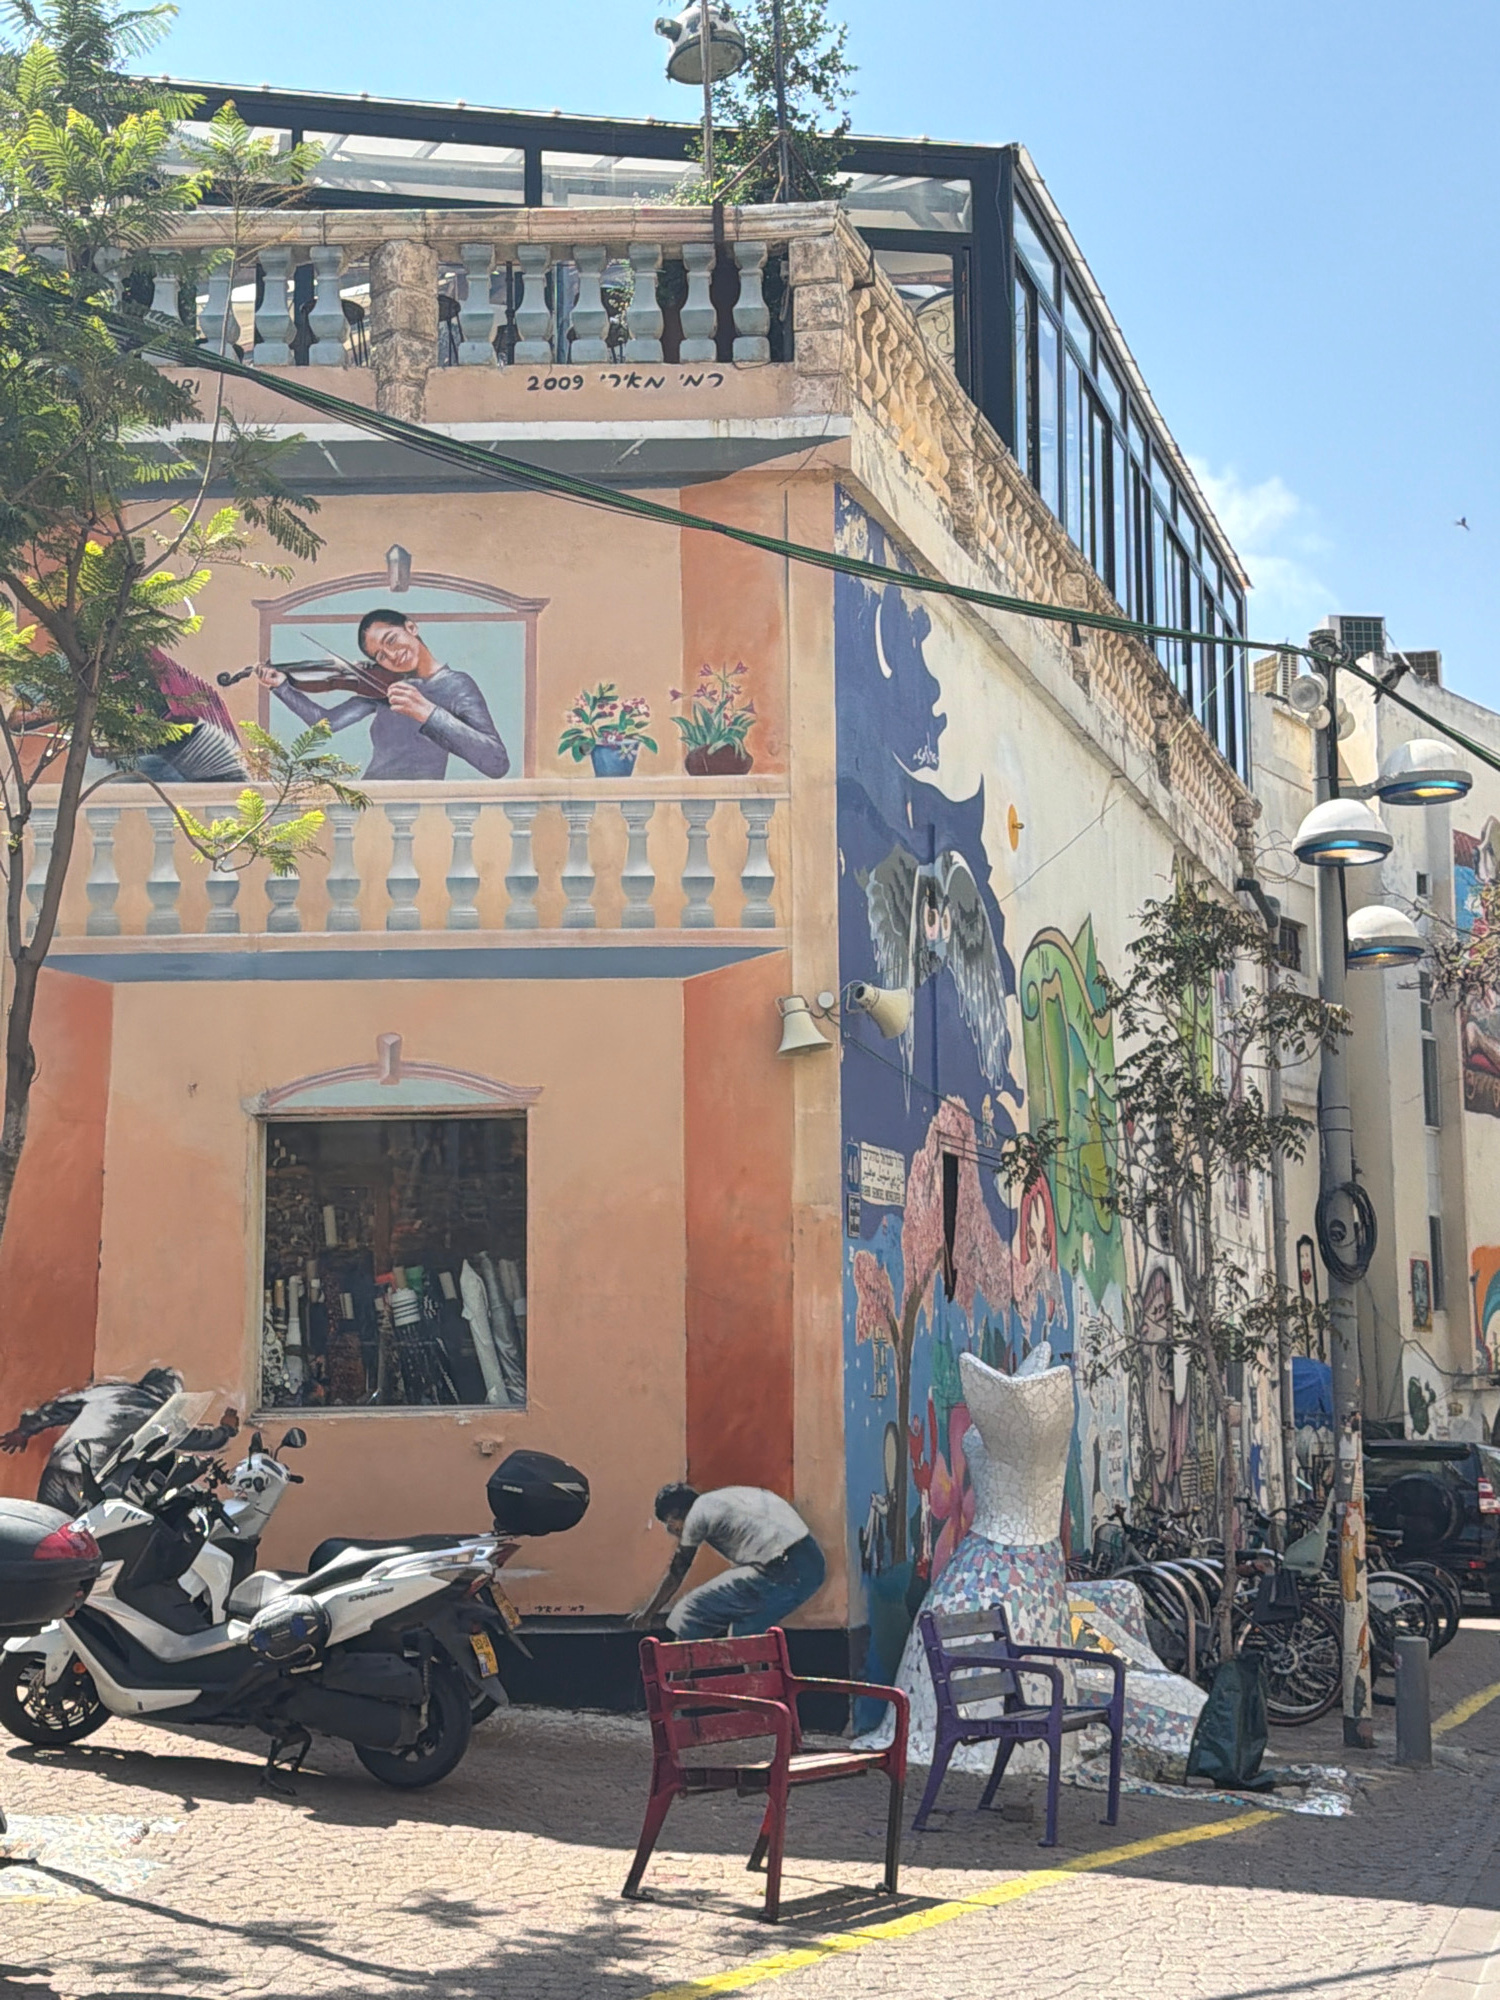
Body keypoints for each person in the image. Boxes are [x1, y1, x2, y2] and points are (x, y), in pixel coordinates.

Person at [258, 608, 510, 781]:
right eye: (380, 656)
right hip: (374, 794)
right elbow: (325, 724)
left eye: (391, 640)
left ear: (411, 627)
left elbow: (496, 763)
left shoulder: (457, 685)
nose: (391, 656)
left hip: (421, 802)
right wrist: (282, 687)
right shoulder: (383, 688)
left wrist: (428, 713)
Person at [0, 1367, 239, 1515]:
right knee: (87, 1548)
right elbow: (196, 1439)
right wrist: (226, 1430)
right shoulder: (158, 1413)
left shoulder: (106, 1393)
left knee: (47, 1539)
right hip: (93, 1482)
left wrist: (24, 1431)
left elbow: (59, 1408)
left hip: (57, 1470)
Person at [631, 1482, 826, 1640]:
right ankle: (754, 1677)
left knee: (690, 1611)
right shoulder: (723, 1499)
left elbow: (677, 1571)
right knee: (746, 1630)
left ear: (675, 1514)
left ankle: (676, 1677)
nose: (671, 1529)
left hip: (781, 1569)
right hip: (812, 1565)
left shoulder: (697, 1514)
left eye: (669, 1523)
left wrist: (648, 1615)